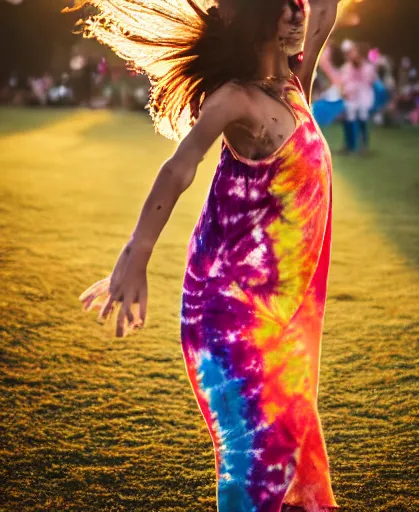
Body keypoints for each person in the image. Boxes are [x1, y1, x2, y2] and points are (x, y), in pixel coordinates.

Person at [71, 0, 342, 511]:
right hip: (229, 314)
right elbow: (178, 168)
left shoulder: (293, 84)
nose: (296, 14)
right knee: (254, 465)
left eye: (297, 5)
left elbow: (326, 8)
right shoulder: (235, 100)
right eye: (282, 7)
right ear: (256, 16)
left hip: (279, 316)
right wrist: (136, 254)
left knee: (290, 460)